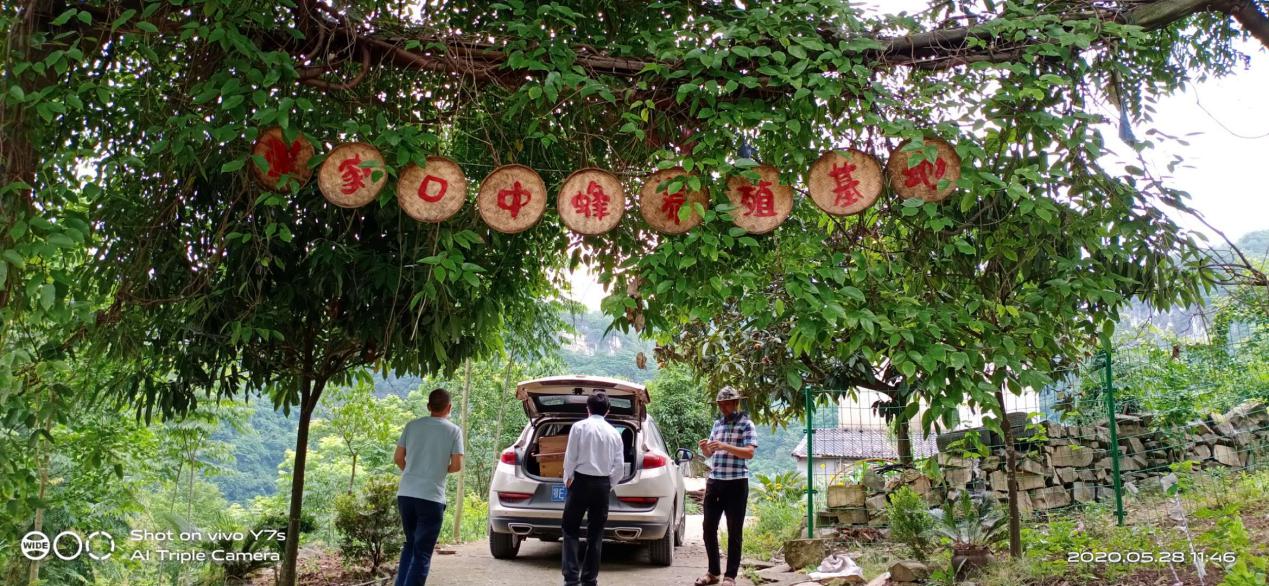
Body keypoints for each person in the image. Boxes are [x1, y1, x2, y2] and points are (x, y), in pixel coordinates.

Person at [394, 388, 464, 586]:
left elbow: (398, 458)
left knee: (410, 545)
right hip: (431, 498)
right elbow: (456, 466)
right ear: (449, 407)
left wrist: (413, 472)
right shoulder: (454, 431)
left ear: (428, 406)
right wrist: (435, 472)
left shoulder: (412, 426)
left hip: (406, 494)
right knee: (422, 552)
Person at [694, 386, 757, 586]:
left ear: (736, 403)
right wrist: (705, 448)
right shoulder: (717, 424)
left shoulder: (746, 424)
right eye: (720, 404)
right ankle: (713, 572)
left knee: (734, 530)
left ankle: (730, 576)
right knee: (708, 527)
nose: (723, 407)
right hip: (715, 481)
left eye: (727, 404)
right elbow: (709, 454)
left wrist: (724, 446)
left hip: (737, 482)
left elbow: (749, 453)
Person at [560, 392, 624, 586]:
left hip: (580, 483)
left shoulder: (579, 427)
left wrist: (568, 479)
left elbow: (570, 457)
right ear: (608, 411)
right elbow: (619, 468)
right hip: (602, 485)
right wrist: (608, 484)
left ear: (587, 408)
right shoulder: (614, 433)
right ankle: (589, 580)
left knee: (570, 529)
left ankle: (571, 579)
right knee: (595, 534)